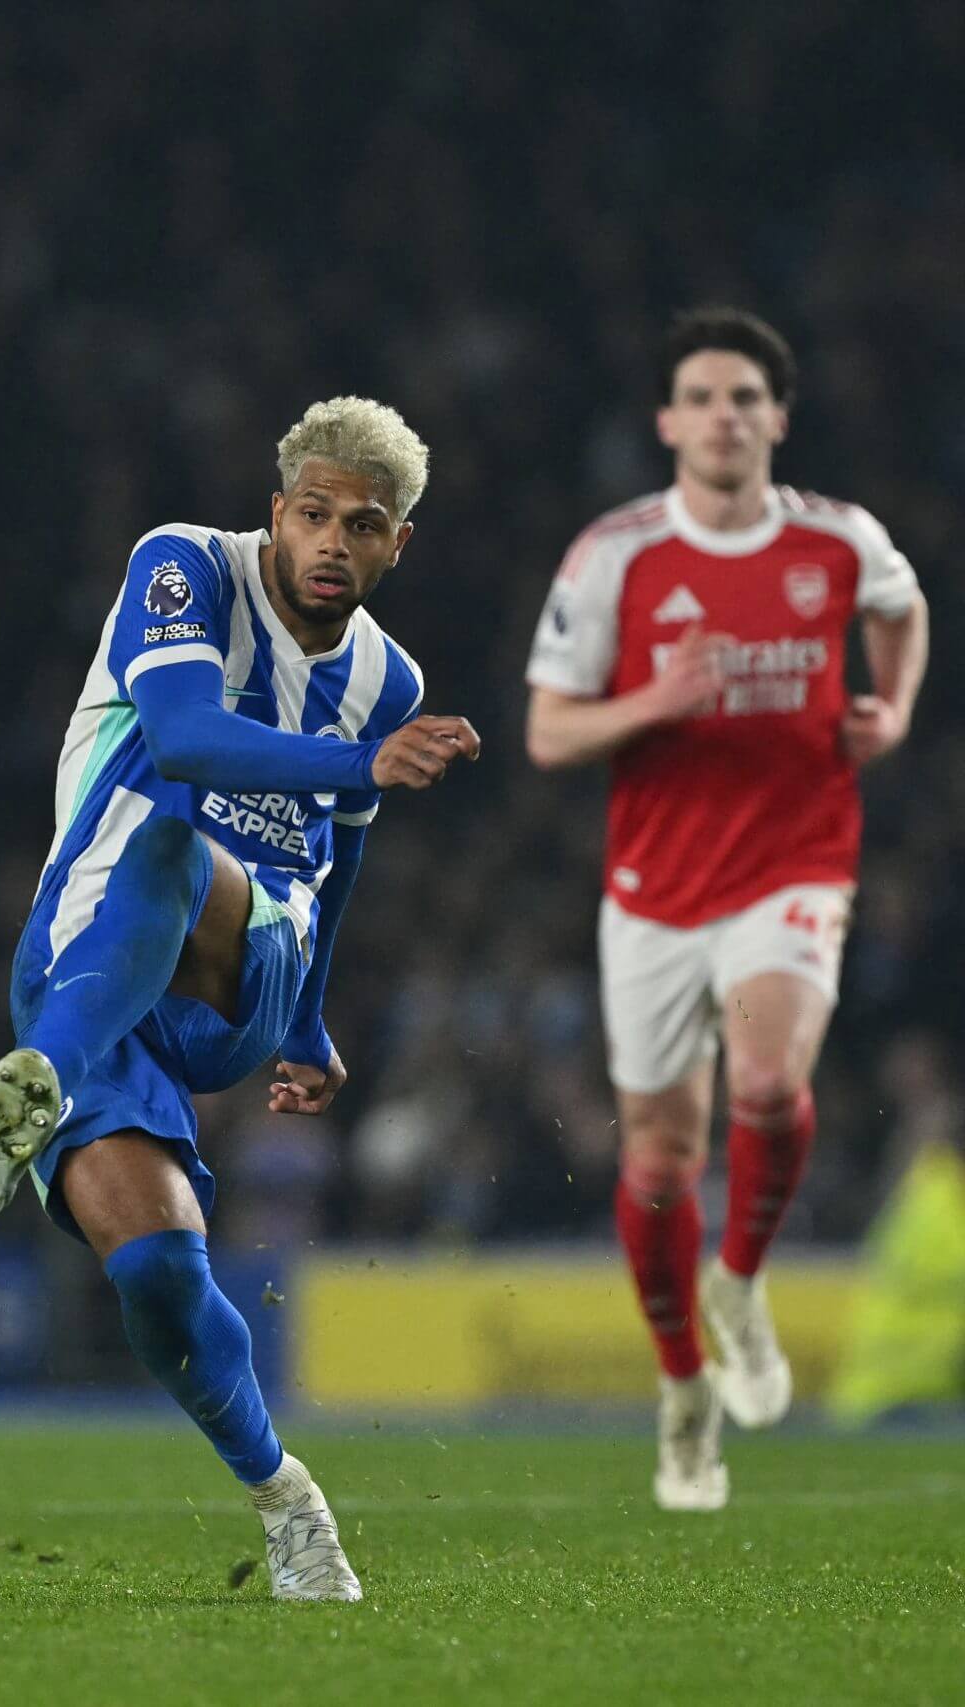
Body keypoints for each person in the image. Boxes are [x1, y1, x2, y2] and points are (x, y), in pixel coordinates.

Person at [0, 398, 477, 1602]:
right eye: (316, 514)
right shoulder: (181, 566)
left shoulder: (386, 681)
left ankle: (33, 1086)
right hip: (89, 953)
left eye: (367, 525)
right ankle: (288, 1500)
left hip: (247, 954)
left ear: (401, 546)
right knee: (156, 1278)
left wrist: (306, 1021)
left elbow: (337, 867)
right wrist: (357, 766)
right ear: (275, 511)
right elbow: (181, 734)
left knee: (180, 852)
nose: (335, 542)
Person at [525, 307, 928, 1510]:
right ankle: (683, 1390)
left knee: (764, 1085)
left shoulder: (838, 541)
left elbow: (900, 613)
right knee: (657, 1157)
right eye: (700, 396)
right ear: (665, 422)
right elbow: (549, 730)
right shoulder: (615, 556)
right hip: (653, 892)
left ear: (777, 418)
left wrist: (892, 709)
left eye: (745, 396)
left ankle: (740, 1285)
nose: (723, 415)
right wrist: (649, 701)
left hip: (796, 862)